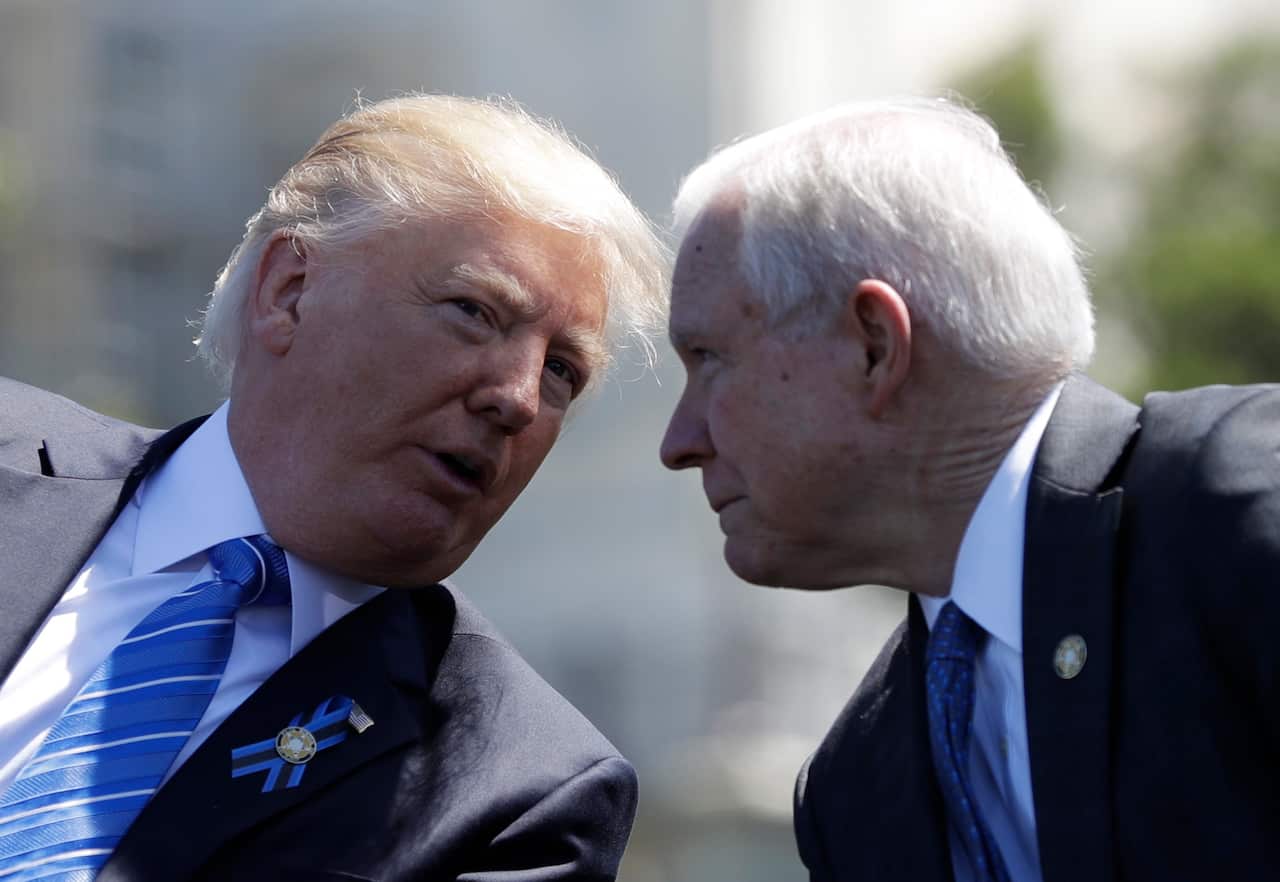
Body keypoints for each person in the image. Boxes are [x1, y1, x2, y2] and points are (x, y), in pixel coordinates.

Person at [0, 93, 667, 881]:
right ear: (289, 290)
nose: (518, 398)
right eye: (474, 312)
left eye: (562, 370)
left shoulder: (520, 795)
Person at [660, 97, 1280, 882]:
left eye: (708, 358)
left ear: (874, 347)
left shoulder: (1244, 504)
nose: (679, 443)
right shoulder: (855, 786)